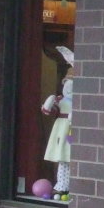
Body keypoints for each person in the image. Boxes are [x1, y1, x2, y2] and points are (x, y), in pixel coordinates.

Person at [42, 46, 75, 199]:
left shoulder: (81, 102)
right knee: (62, 158)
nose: (69, 86)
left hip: (72, 132)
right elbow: (50, 111)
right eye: (67, 82)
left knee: (72, 156)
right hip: (61, 132)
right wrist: (49, 104)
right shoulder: (61, 100)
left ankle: (71, 186)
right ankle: (61, 186)